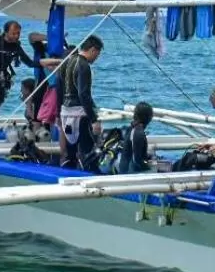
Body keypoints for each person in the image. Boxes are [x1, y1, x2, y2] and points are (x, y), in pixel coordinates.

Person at [56, 34, 103, 171]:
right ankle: (90, 173)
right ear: (93, 50)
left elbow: (58, 89)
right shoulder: (83, 65)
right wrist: (94, 119)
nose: (96, 58)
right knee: (87, 150)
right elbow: (83, 94)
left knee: (71, 152)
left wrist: (58, 113)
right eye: (97, 54)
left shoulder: (66, 62)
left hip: (65, 111)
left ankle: (69, 173)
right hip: (80, 114)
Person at [114, 101, 154, 173]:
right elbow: (137, 161)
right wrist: (148, 167)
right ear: (148, 117)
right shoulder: (139, 133)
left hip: (124, 168)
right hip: (129, 172)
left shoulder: (132, 128)